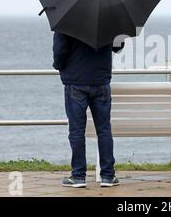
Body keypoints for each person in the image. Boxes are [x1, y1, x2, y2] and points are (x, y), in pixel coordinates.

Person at [52, 32, 124, 188]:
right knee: (104, 130)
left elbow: (59, 52)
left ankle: (78, 176)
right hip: (101, 81)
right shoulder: (109, 19)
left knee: (77, 130)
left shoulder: (67, 22)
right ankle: (107, 176)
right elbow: (118, 46)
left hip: (75, 81)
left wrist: (59, 66)